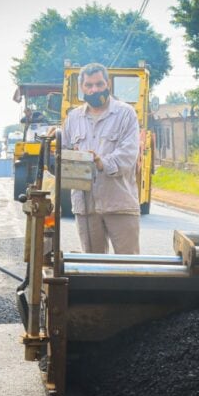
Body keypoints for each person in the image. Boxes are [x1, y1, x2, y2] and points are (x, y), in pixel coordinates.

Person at [61, 62, 140, 254]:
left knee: (129, 266)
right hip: (86, 206)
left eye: (99, 84)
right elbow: (63, 153)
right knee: (92, 266)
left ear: (108, 85)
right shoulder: (73, 118)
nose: (94, 89)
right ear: (82, 88)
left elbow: (129, 154)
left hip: (119, 202)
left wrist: (100, 162)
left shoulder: (125, 114)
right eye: (89, 85)